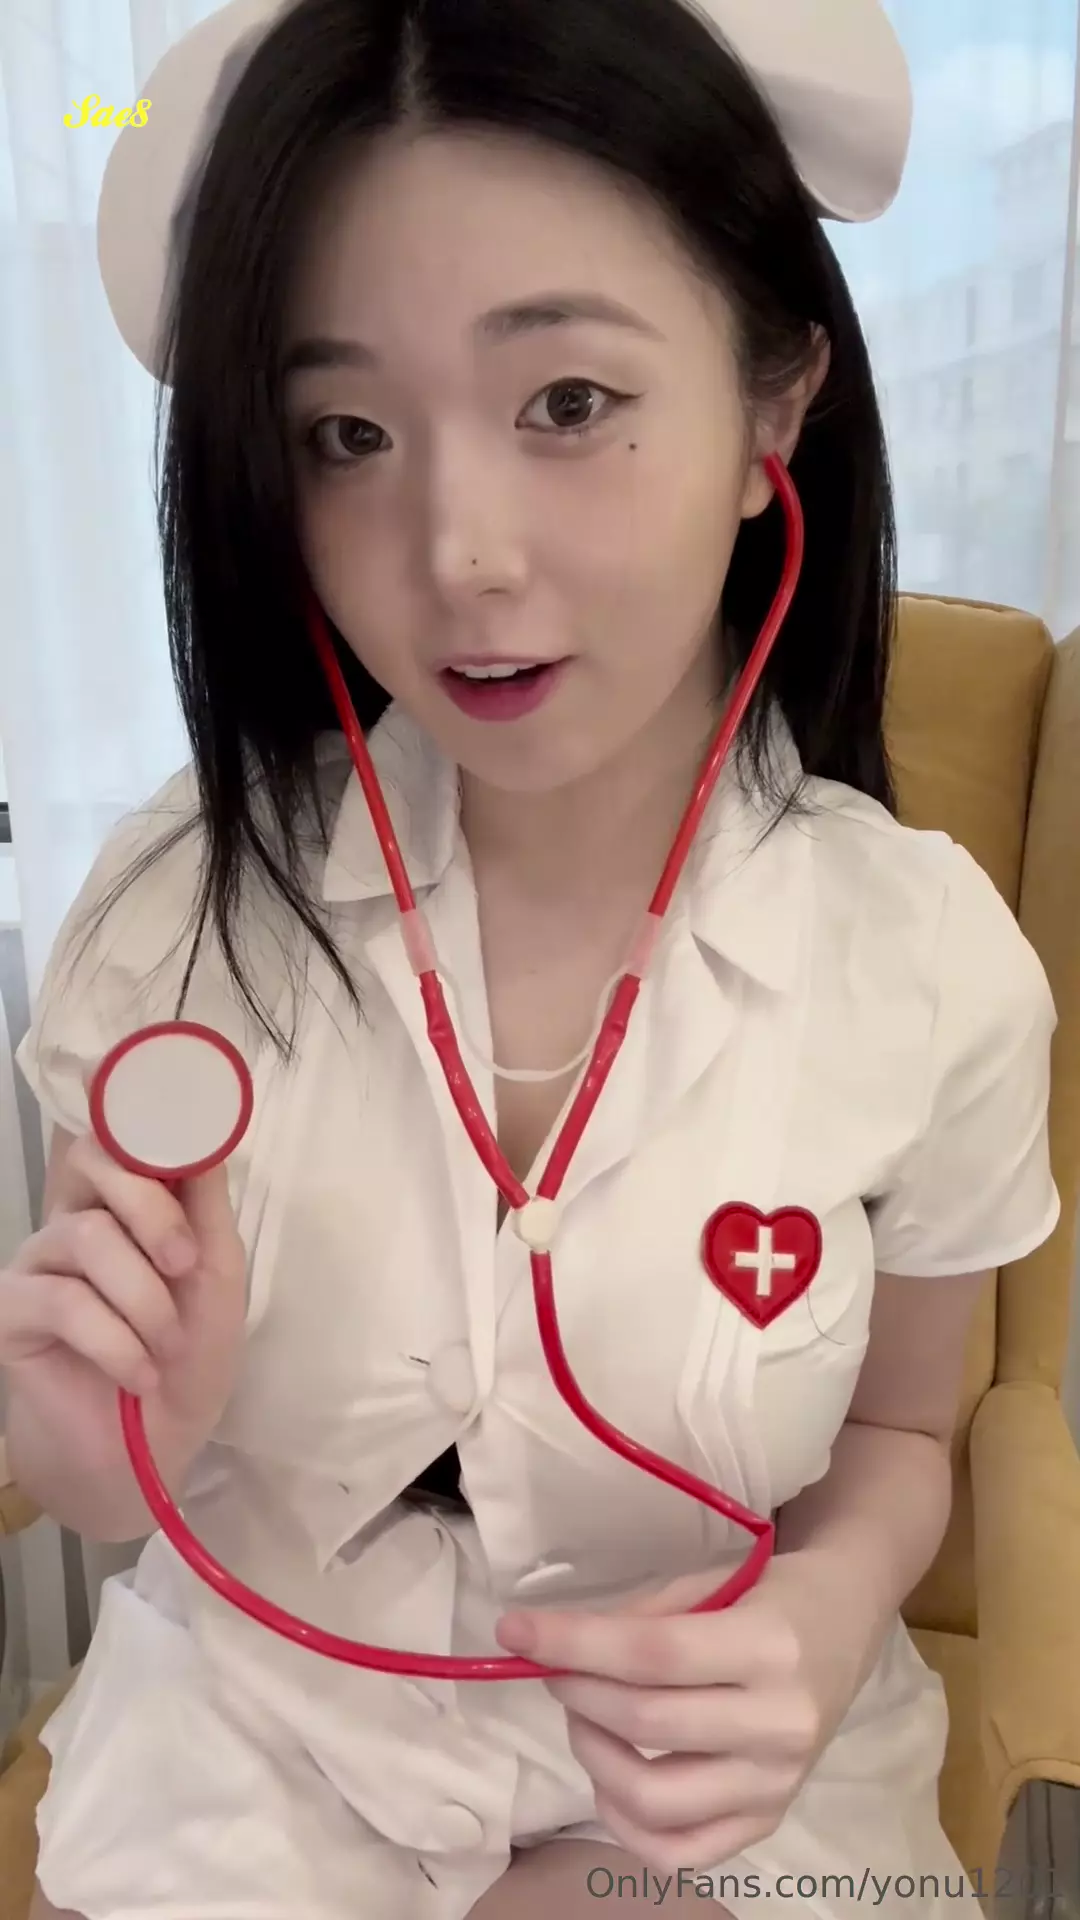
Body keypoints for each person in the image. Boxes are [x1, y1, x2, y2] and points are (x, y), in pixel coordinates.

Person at [0, 0, 1061, 1915]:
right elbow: (103, 1475)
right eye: (347, 435)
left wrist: (827, 1613)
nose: (458, 554)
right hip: (260, 1757)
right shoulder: (178, 913)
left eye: (567, 402)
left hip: (725, 1773)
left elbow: (910, 1423)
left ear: (773, 408)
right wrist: (105, 1442)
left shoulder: (922, 964)